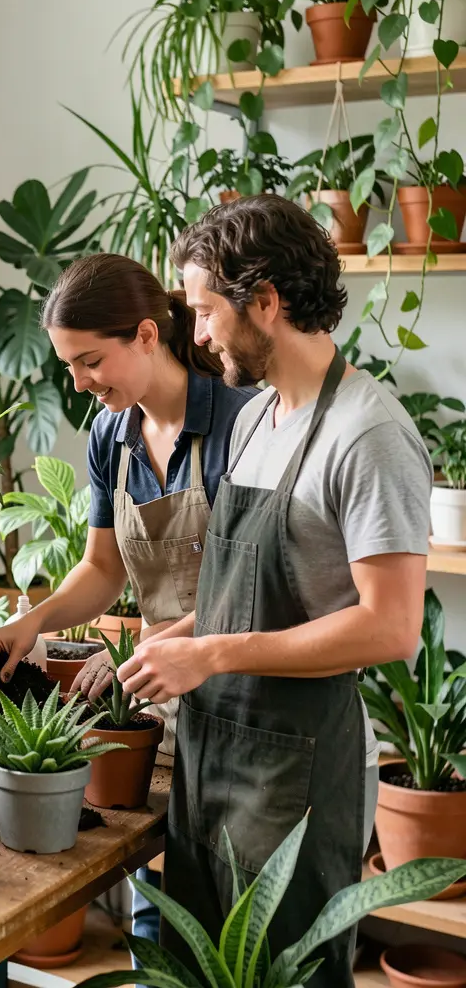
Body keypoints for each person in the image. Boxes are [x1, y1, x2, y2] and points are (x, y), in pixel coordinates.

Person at [114, 195, 429, 987]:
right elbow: (249, 589)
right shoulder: (256, 419)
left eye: (207, 310)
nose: (201, 331)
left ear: (265, 302)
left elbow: (390, 629)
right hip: (211, 757)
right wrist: (186, 633)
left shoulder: (368, 434)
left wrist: (212, 650)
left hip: (296, 778)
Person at [0, 252, 256, 953]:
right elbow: (101, 568)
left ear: (148, 336)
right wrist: (27, 622)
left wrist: (164, 642)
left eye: (90, 361)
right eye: (68, 366)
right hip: (165, 692)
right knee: (162, 904)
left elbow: (264, 589)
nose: (79, 384)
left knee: (240, 912)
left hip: (251, 692)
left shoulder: (242, 422)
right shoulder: (113, 434)